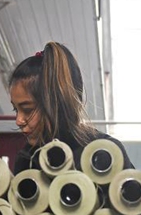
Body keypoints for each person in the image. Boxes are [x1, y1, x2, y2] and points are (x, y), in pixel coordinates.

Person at [10, 41, 134, 174]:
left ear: (58, 103)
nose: (19, 120)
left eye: (28, 109)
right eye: (16, 110)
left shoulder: (106, 154)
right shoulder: (26, 160)